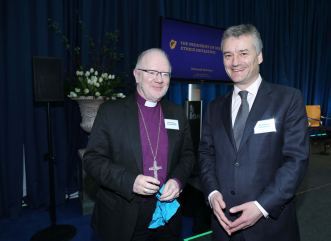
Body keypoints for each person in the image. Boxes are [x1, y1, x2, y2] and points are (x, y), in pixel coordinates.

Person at [198, 24, 309, 241]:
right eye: (228, 55)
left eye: (243, 53)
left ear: (259, 56)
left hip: (270, 226)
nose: (235, 62)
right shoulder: (213, 107)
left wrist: (261, 206)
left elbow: (296, 160)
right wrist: (212, 194)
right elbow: (206, 155)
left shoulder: (288, 99)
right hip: (224, 226)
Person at [83, 48, 195, 241]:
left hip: (168, 215)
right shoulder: (111, 112)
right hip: (124, 215)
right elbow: (92, 160)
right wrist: (130, 181)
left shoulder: (177, 113)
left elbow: (188, 155)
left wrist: (177, 180)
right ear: (136, 75)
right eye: (152, 72)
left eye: (165, 74)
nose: (159, 79)